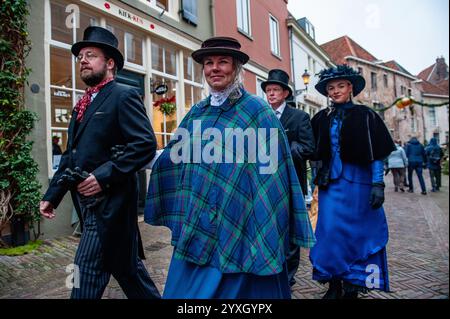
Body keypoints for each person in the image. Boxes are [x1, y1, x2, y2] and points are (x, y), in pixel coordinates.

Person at [144, 36, 315, 299]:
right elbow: (176, 156)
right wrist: (142, 157)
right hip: (201, 220)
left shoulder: (257, 111)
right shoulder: (197, 112)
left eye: (223, 62)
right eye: (209, 63)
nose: (215, 68)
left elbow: (273, 175)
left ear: (236, 69)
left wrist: (265, 222)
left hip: (244, 222)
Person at [39, 26, 160, 299]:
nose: (82, 60)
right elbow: (71, 155)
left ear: (109, 63)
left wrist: (103, 176)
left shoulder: (123, 95)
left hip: (110, 206)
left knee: (84, 279)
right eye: (80, 56)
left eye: (90, 55)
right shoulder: (81, 104)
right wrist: (53, 194)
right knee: (130, 274)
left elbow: (144, 145)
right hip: (89, 207)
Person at [309, 65, 395, 299]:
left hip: (359, 185)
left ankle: (353, 286)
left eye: (340, 86)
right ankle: (334, 284)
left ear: (350, 88)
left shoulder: (367, 115)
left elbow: (377, 153)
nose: (335, 91)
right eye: (330, 88)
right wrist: (313, 183)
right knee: (330, 236)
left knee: (358, 235)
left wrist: (378, 184)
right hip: (331, 187)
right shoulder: (320, 118)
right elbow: (313, 154)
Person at [261, 69, 315, 288]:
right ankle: (271, 268)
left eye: (276, 90)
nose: (271, 94)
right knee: (270, 226)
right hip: (265, 183)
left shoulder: (299, 117)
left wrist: (291, 149)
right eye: (268, 90)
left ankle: (289, 275)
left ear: (285, 93)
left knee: (291, 230)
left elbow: (309, 148)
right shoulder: (261, 116)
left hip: (291, 182)